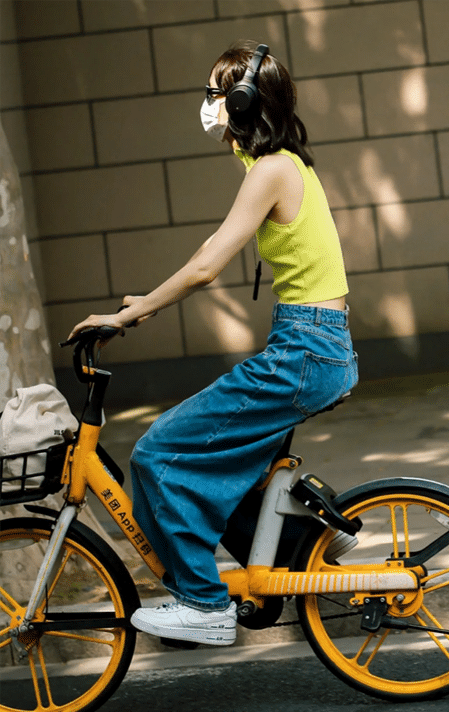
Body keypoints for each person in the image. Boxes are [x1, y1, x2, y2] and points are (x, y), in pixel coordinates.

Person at [69, 42, 358, 646]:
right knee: (227, 471)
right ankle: (304, 545)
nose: (206, 106)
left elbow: (207, 265)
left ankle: (204, 603)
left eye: (214, 94)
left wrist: (135, 313)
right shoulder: (276, 164)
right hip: (310, 346)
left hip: (305, 351)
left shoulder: (275, 167)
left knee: (159, 456)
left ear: (244, 101)